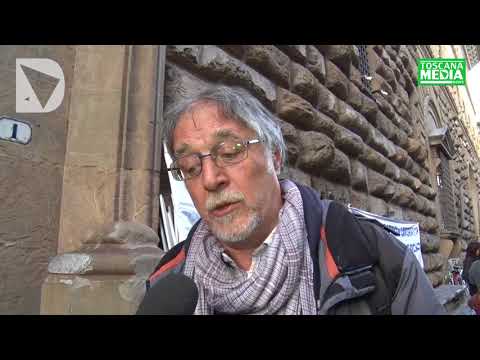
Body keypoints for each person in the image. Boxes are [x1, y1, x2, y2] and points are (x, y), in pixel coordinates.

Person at [149, 85, 446, 315]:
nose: (210, 179)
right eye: (190, 167)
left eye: (229, 152)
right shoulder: (166, 280)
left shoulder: (372, 256)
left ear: (275, 157)